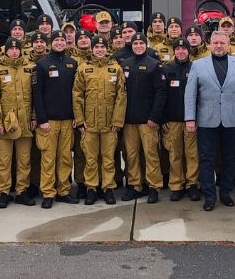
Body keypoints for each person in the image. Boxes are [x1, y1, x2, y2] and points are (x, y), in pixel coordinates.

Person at [185, 31, 235, 211]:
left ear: (229, 44)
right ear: (209, 45)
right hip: (206, 120)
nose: (219, 45)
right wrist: (190, 118)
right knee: (206, 159)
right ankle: (209, 196)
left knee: (230, 158)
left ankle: (225, 193)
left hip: (231, 120)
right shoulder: (198, 65)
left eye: (222, 42)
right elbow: (190, 94)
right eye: (215, 42)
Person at [74, 36, 127, 205]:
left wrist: (117, 121)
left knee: (108, 157)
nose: (99, 50)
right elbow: (77, 95)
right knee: (90, 157)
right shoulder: (84, 69)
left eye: (102, 47)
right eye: (96, 47)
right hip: (89, 123)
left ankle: (108, 188)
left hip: (109, 123)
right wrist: (80, 120)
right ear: (92, 49)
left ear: (107, 49)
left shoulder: (115, 69)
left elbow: (121, 96)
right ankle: (91, 188)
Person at [32, 30, 79, 208]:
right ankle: (48, 192)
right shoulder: (42, 64)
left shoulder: (72, 64)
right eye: (56, 40)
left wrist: (76, 116)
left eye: (62, 40)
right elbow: (37, 94)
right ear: (51, 43)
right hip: (49, 122)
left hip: (67, 120)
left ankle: (63, 191)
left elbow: (77, 94)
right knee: (48, 158)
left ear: (66, 43)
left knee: (65, 157)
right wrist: (42, 119)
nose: (59, 43)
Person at [0, 38, 37, 208]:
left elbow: (35, 96)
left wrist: (34, 117)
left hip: (25, 122)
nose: (14, 52)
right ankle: (3, 192)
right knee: (4, 160)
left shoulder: (30, 69)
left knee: (24, 160)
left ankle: (22, 191)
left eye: (17, 49)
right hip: (6, 123)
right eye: (11, 49)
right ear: (6, 51)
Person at [120, 33, 165, 203]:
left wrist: (155, 116)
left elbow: (161, 93)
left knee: (151, 154)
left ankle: (153, 186)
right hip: (129, 120)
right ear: (131, 46)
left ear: (146, 45)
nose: (138, 46)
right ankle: (135, 185)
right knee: (131, 155)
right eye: (135, 43)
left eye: (141, 43)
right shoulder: (125, 65)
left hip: (148, 121)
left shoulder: (154, 65)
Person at [156, 38, 200, 201]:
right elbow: (160, 95)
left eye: (184, 49)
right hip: (172, 121)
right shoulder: (166, 69)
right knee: (175, 155)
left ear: (189, 51)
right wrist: (163, 118)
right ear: (173, 51)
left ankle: (192, 184)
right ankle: (176, 185)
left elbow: (200, 95)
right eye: (178, 49)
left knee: (192, 154)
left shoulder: (196, 68)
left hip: (191, 121)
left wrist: (197, 118)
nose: (181, 52)